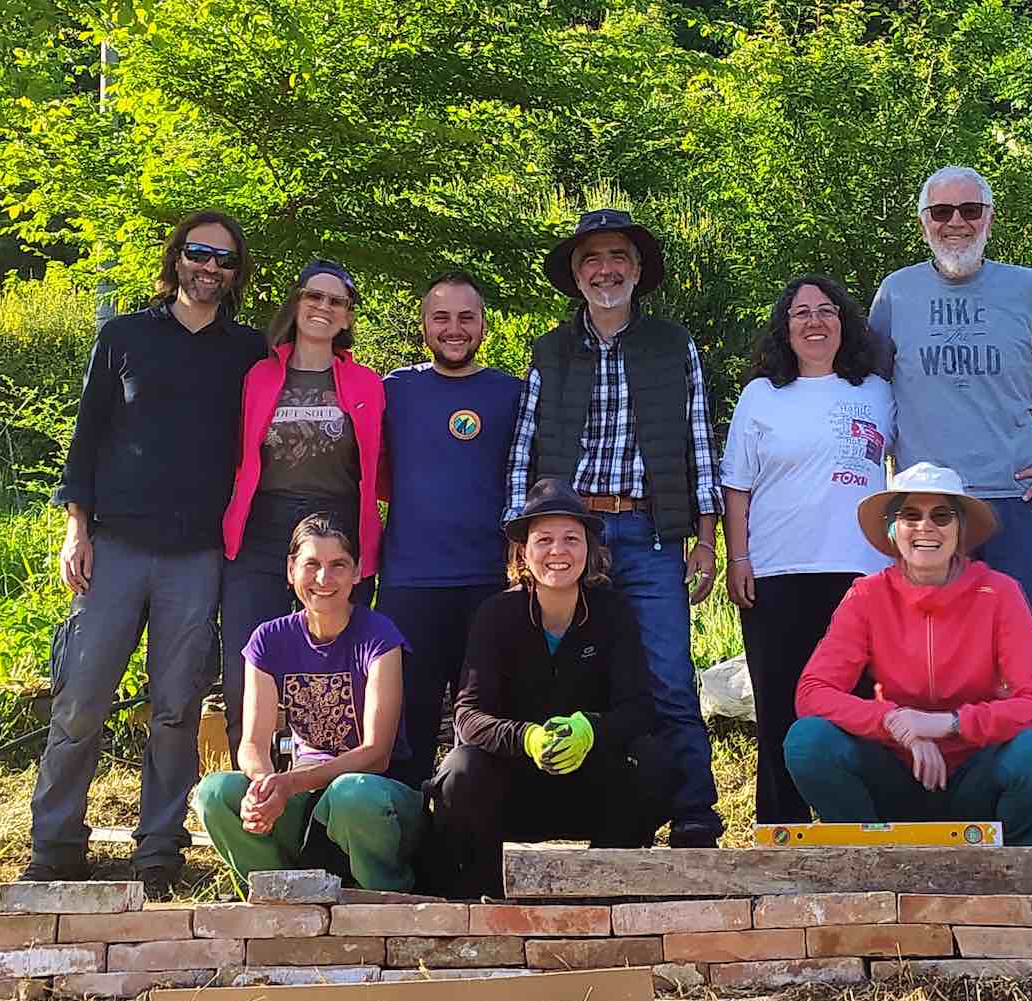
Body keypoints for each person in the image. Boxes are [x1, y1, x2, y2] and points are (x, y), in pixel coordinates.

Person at [867, 165, 1032, 839]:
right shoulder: (895, 295)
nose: (956, 223)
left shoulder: (1028, 290)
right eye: (941, 212)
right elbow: (864, 392)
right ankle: (947, 803)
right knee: (928, 660)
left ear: (990, 216)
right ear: (922, 220)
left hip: (1015, 503)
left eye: (969, 211)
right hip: (928, 510)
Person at [28, 210, 266, 898]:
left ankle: (159, 848)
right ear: (177, 258)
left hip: (196, 555)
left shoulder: (246, 352)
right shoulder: (124, 335)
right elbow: (85, 438)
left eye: (223, 261)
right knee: (81, 698)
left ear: (235, 273)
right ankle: (56, 843)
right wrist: (76, 529)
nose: (210, 268)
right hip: (115, 546)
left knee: (176, 707)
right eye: (199, 254)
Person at [506, 209, 725, 848]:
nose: (606, 270)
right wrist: (518, 540)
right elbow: (524, 448)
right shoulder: (550, 350)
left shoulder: (671, 344)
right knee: (570, 673)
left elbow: (696, 443)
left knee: (668, 676)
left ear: (637, 270)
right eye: (592, 260)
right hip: (570, 540)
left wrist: (706, 539)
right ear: (577, 276)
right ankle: (577, 812)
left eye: (618, 258)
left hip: (651, 534)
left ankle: (693, 814)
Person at [786, 463, 1032, 844]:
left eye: (941, 516)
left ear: (961, 531)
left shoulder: (999, 592)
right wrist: (897, 723)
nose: (925, 527)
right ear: (893, 529)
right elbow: (813, 693)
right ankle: (862, 860)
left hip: (977, 778)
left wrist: (947, 724)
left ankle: (1012, 871)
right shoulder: (866, 596)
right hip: (893, 777)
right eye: (911, 515)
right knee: (808, 740)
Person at [425, 479, 678, 899]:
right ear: (523, 552)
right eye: (544, 540)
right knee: (459, 771)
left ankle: (607, 892)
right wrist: (527, 737)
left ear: (589, 550)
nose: (558, 551)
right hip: (513, 786)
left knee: (655, 762)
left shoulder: (613, 613)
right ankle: (482, 896)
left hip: (589, 784)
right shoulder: (496, 615)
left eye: (570, 539)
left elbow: (639, 709)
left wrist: (590, 730)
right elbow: (469, 715)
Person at [721, 275, 895, 826]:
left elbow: (908, 475)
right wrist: (738, 559)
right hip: (777, 572)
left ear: (844, 323)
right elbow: (736, 487)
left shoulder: (876, 391)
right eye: (800, 313)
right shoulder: (761, 396)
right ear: (785, 329)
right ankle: (780, 827)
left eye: (826, 311)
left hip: (864, 575)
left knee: (862, 703)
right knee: (781, 706)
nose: (814, 321)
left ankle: (861, 826)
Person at [192, 515, 425, 893]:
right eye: (311, 565)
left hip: (376, 797)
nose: (323, 579)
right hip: (302, 797)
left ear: (358, 572)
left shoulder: (380, 636)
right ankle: (282, 897)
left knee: (352, 793)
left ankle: (386, 904)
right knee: (215, 794)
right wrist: (264, 787)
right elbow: (251, 743)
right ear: (290, 570)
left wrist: (288, 784)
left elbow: (377, 753)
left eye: (338, 566)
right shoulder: (268, 640)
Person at [219, 260, 387, 770]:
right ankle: (254, 795)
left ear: (347, 317)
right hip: (262, 535)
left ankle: (326, 806)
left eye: (336, 301)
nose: (323, 307)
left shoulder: (366, 383)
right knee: (246, 669)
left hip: (337, 534)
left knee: (334, 675)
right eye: (315, 296)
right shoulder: (257, 375)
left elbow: (383, 466)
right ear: (296, 303)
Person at [375, 272, 525, 787]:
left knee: (483, 725)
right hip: (408, 583)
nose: (454, 328)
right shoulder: (393, 390)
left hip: (490, 581)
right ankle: (401, 845)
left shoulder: (513, 393)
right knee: (405, 727)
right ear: (423, 326)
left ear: (484, 324)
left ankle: (473, 846)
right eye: (442, 317)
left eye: (466, 317)